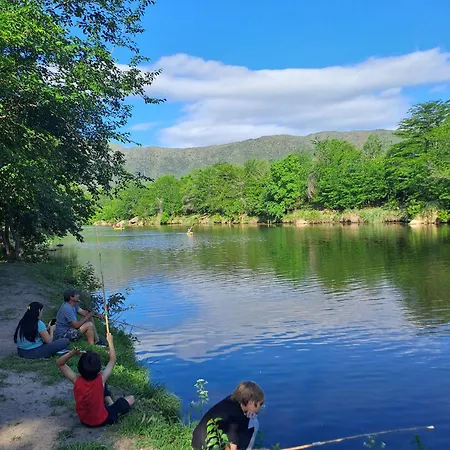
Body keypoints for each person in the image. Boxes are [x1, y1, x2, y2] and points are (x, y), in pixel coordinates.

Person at [56, 332, 135, 427]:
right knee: (131, 399)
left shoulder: (76, 380)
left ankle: (109, 403)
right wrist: (110, 342)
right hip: (102, 419)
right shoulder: (101, 378)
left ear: (80, 367)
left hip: (84, 420)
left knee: (103, 386)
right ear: (98, 368)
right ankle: (110, 405)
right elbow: (112, 360)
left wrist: (72, 353)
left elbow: (60, 363)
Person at [192, 381, 265, 450]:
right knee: (254, 422)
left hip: (197, 443)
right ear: (250, 402)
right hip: (210, 448)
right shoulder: (236, 417)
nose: (260, 408)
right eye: (260, 404)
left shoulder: (230, 400)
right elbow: (231, 448)